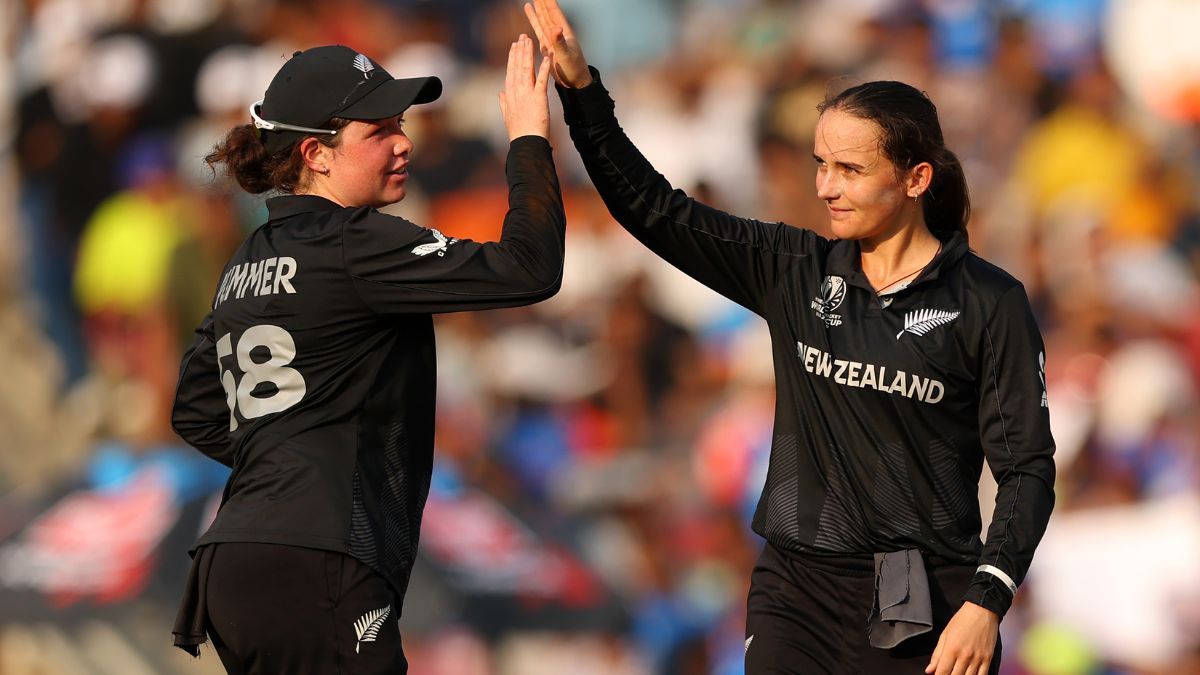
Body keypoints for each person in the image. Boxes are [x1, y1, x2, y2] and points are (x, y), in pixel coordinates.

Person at [523, 2, 1055, 674]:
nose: (824, 187)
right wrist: (580, 90)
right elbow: (652, 208)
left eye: (850, 170)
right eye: (820, 163)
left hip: (921, 596)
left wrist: (987, 600)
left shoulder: (989, 301)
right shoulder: (795, 269)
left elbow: (1027, 469)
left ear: (916, 177)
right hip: (795, 587)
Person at [169, 37, 562, 674]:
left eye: (401, 125)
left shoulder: (249, 260)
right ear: (315, 154)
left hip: (233, 562)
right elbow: (530, 269)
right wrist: (528, 140)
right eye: (379, 129)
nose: (404, 142)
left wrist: (288, 459)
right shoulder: (355, 241)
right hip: (319, 559)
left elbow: (195, 412)